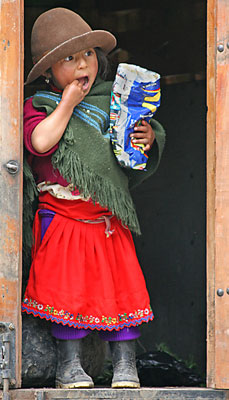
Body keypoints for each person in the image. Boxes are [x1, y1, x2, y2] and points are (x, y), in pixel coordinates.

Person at [22, 7, 165, 389]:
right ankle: (69, 368)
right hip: (64, 217)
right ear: (49, 73)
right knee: (66, 294)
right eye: (68, 58)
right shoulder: (41, 107)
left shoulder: (110, 103)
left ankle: (125, 367)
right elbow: (40, 142)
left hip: (106, 220)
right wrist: (67, 103)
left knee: (121, 292)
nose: (82, 63)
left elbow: (129, 151)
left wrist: (145, 139)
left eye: (87, 54)